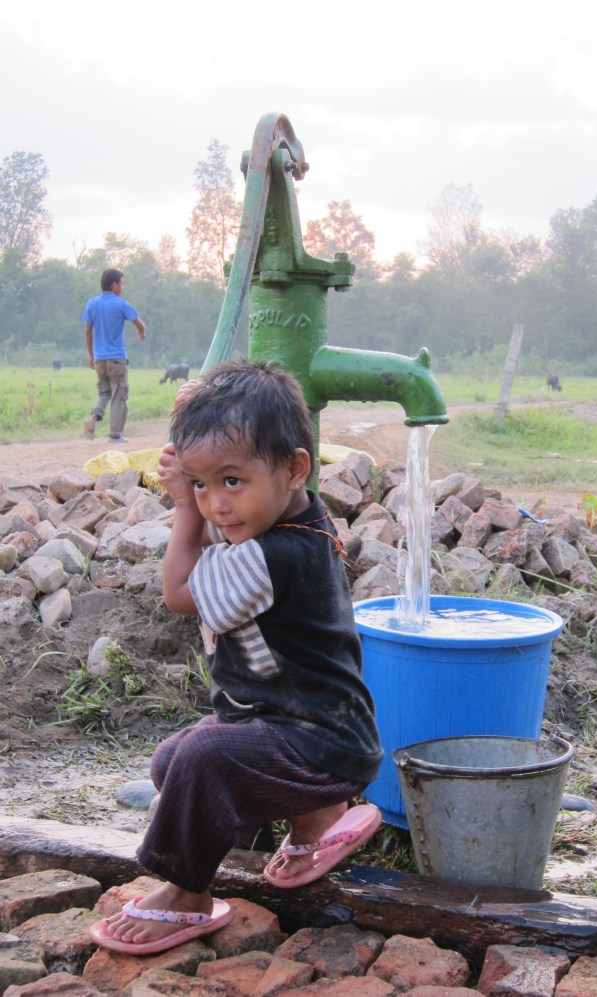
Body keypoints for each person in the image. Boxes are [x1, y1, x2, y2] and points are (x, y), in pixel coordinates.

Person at [90, 359, 383, 956]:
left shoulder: (268, 555)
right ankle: (318, 819)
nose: (217, 505)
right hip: (311, 728)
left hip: (315, 740)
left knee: (201, 755)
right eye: (201, 484)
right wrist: (202, 427)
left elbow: (178, 595)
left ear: (296, 468)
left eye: (231, 482)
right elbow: (244, 453)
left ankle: (187, 895)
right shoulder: (302, 512)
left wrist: (182, 509)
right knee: (173, 762)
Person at [82, 268, 146, 443]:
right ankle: (115, 435)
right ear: (114, 285)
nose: (122, 287)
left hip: (99, 359)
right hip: (117, 358)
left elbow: (88, 331)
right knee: (119, 394)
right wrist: (140, 333)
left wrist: (90, 355)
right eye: (121, 283)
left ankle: (93, 418)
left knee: (104, 392)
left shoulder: (92, 304)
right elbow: (140, 324)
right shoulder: (121, 304)